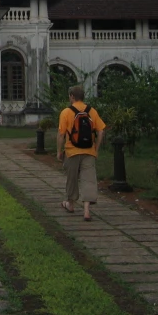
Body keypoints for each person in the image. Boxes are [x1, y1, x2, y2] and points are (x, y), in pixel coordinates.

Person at [56, 85, 105, 221]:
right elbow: (101, 131)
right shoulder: (92, 111)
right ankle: (86, 211)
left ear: (72, 96)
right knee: (88, 179)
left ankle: (70, 204)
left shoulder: (66, 112)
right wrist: (96, 148)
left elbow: (61, 134)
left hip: (72, 151)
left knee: (72, 179)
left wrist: (59, 151)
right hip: (89, 151)